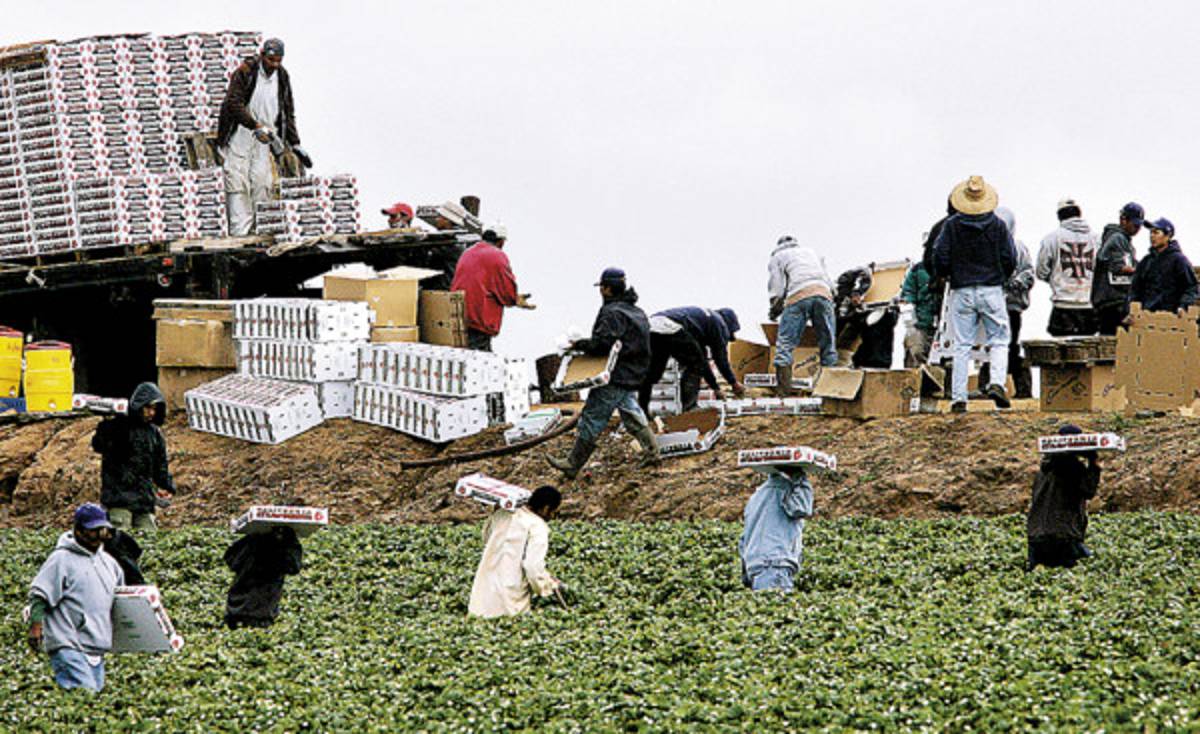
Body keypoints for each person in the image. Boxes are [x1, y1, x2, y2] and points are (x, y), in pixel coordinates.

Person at [547, 268, 659, 478]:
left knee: (593, 416)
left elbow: (603, 344)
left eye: (601, 287)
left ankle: (573, 464)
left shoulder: (612, 312)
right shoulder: (636, 311)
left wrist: (578, 345)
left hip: (616, 374)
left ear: (606, 289)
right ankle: (653, 453)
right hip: (633, 373)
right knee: (631, 412)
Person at [932, 175, 1017, 412]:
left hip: (961, 288)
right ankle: (997, 383)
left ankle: (959, 398)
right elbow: (1010, 258)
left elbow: (939, 256)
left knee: (962, 344)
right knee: (999, 340)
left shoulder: (951, 226)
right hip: (991, 288)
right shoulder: (998, 225)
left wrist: (946, 274)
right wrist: (1002, 276)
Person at [27, 503, 124, 692]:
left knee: (93, 699)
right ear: (78, 530)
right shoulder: (61, 559)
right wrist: (36, 627)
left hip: (96, 644)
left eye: (101, 530)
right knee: (84, 694)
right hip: (68, 642)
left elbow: (121, 597)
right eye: (92, 531)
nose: (97, 536)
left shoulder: (109, 563)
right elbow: (40, 595)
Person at [217, 38, 307, 236]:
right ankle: (239, 234)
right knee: (238, 182)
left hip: (265, 138)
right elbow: (233, 103)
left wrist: (295, 142)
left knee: (262, 182)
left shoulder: (282, 77)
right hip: (241, 134)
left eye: (278, 60)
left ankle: (259, 232)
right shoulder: (246, 72)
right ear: (262, 55)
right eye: (271, 59)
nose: (274, 64)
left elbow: (287, 111)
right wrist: (254, 125)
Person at [92, 382, 176, 533]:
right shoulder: (118, 426)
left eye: (154, 409)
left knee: (149, 539)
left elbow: (160, 465)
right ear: (139, 406)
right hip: (119, 499)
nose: (151, 413)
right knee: (119, 539)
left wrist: (166, 485)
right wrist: (107, 425)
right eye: (148, 408)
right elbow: (99, 445)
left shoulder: (154, 434)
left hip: (143, 501)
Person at [468, 486, 563, 618]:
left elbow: (486, 537)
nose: (553, 517)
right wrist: (547, 586)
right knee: (508, 622)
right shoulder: (538, 527)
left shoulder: (503, 513)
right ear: (546, 508)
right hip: (511, 596)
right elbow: (532, 567)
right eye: (554, 513)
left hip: (485, 592)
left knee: (481, 617)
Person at [637, 306, 745, 415]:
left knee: (653, 373)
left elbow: (703, 363)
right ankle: (689, 408)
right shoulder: (720, 324)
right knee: (694, 367)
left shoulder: (701, 322)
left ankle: (641, 412)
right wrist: (734, 383)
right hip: (672, 327)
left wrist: (715, 388)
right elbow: (720, 359)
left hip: (651, 326)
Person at [767, 235, 837, 396]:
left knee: (785, 344)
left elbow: (777, 287)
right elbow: (828, 280)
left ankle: (784, 393)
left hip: (798, 296)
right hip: (824, 294)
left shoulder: (778, 257)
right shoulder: (812, 252)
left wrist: (775, 308)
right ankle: (829, 391)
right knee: (828, 345)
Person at [1026, 425, 1100, 571]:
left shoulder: (1043, 470)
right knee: (1087, 570)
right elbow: (1088, 491)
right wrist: (1093, 464)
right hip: (1062, 534)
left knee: (1039, 578)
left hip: (1036, 535)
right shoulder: (1072, 467)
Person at [450, 224, 534, 352]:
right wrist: (515, 299)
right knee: (480, 360)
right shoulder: (497, 256)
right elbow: (507, 292)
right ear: (501, 241)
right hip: (479, 319)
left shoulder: (468, 252)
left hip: (458, 313)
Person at [738, 467, 814, 592]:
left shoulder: (757, 495)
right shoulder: (785, 490)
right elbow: (802, 508)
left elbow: (744, 539)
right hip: (775, 564)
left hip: (756, 567)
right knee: (778, 606)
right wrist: (801, 481)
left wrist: (746, 574)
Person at [988, 206, 1035, 399]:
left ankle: (1019, 389)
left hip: (1007, 306)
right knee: (997, 346)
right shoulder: (1016, 247)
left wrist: (1013, 284)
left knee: (1004, 346)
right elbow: (1029, 274)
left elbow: (1028, 275)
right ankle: (995, 385)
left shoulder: (1018, 247)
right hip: (1000, 305)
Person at [1037, 198, 1100, 336]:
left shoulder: (1051, 238)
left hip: (1062, 305)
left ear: (1059, 216)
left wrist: (1057, 279)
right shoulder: (1096, 238)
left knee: (1061, 352)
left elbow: (1041, 271)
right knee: (1087, 352)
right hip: (1088, 304)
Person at [223, 526, 304, 629]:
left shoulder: (252, 540)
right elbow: (294, 567)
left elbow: (230, 559)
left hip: (238, 607)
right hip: (258, 612)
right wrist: (290, 539)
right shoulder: (281, 547)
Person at [1092, 203, 1144, 334]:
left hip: (1115, 300)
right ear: (1123, 220)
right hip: (1112, 301)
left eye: (1139, 226)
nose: (1137, 229)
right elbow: (1119, 267)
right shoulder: (1117, 238)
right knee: (1114, 344)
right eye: (1135, 224)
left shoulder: (1124, 240)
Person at [1129, 217, 1198, 315]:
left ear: (1168, 236)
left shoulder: (1179, 260)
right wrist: (1133, 308)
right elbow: (1135, 289)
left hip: (1170, 319)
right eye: (1151, 232)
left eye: (1156, 232)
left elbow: (1191, 287)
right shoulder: (1146, 261)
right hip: (1146, 318)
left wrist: (1183, 306)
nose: (1152, 236)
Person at [835, 266, 898, 369]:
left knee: (876, 338)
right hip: (860, 315)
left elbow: (862, 272)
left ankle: (871, 364)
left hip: (875, 311)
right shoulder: (839, 303)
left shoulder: (851, 282)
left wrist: (857, 293)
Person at [899, 259, 940, 367]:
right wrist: (911, 324)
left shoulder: (953, 266)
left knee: (944, 360)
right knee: (915, 352)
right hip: (920, 323)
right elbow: (907, 294)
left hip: (945, 326)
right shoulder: (918, 269)